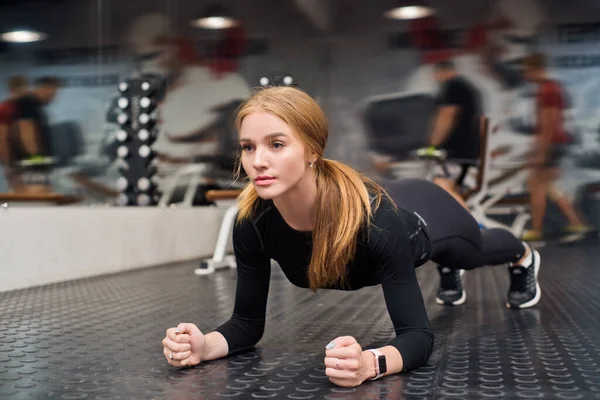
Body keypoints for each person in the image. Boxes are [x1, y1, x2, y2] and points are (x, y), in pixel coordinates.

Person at [161, 86, 541, 387]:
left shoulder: (375, 220)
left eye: (276, 144)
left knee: (473, 252)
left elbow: (418, 338)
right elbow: (246, 323)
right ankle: (449, 273)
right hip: (377, 198)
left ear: (311, 150)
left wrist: (369, 364)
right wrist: (204, 345)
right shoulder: (252, 222)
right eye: (248, 147)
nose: (257, 161)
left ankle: (523, 256)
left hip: (425, 218)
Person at [425, 60, 485, 305]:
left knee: (443, 186)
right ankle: (469, 233)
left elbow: (447, 115)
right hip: (467, 151)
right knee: (447, 186)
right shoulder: (467, 87)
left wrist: (433, 144)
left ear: (441, 71)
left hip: (457, 150)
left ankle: (471, 231)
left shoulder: (453, 86)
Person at [520, 53, 591, 242]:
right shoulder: (549, 88)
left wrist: (540, 153)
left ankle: (536, 230)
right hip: (555, 143)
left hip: (552, 144)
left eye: (527, 71)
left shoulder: (548, 89)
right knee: (549, 187)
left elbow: (549, 124)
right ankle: (576, 223)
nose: (525, 76)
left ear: (535, 69)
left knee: (536, 185)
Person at [0, 75, 30, 191]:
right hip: (13, 156)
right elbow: (2, 137)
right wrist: (8, 163)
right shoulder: (6, 108)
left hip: (22, 155)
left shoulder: (23, 107)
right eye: (23, 89)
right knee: (20, 189)